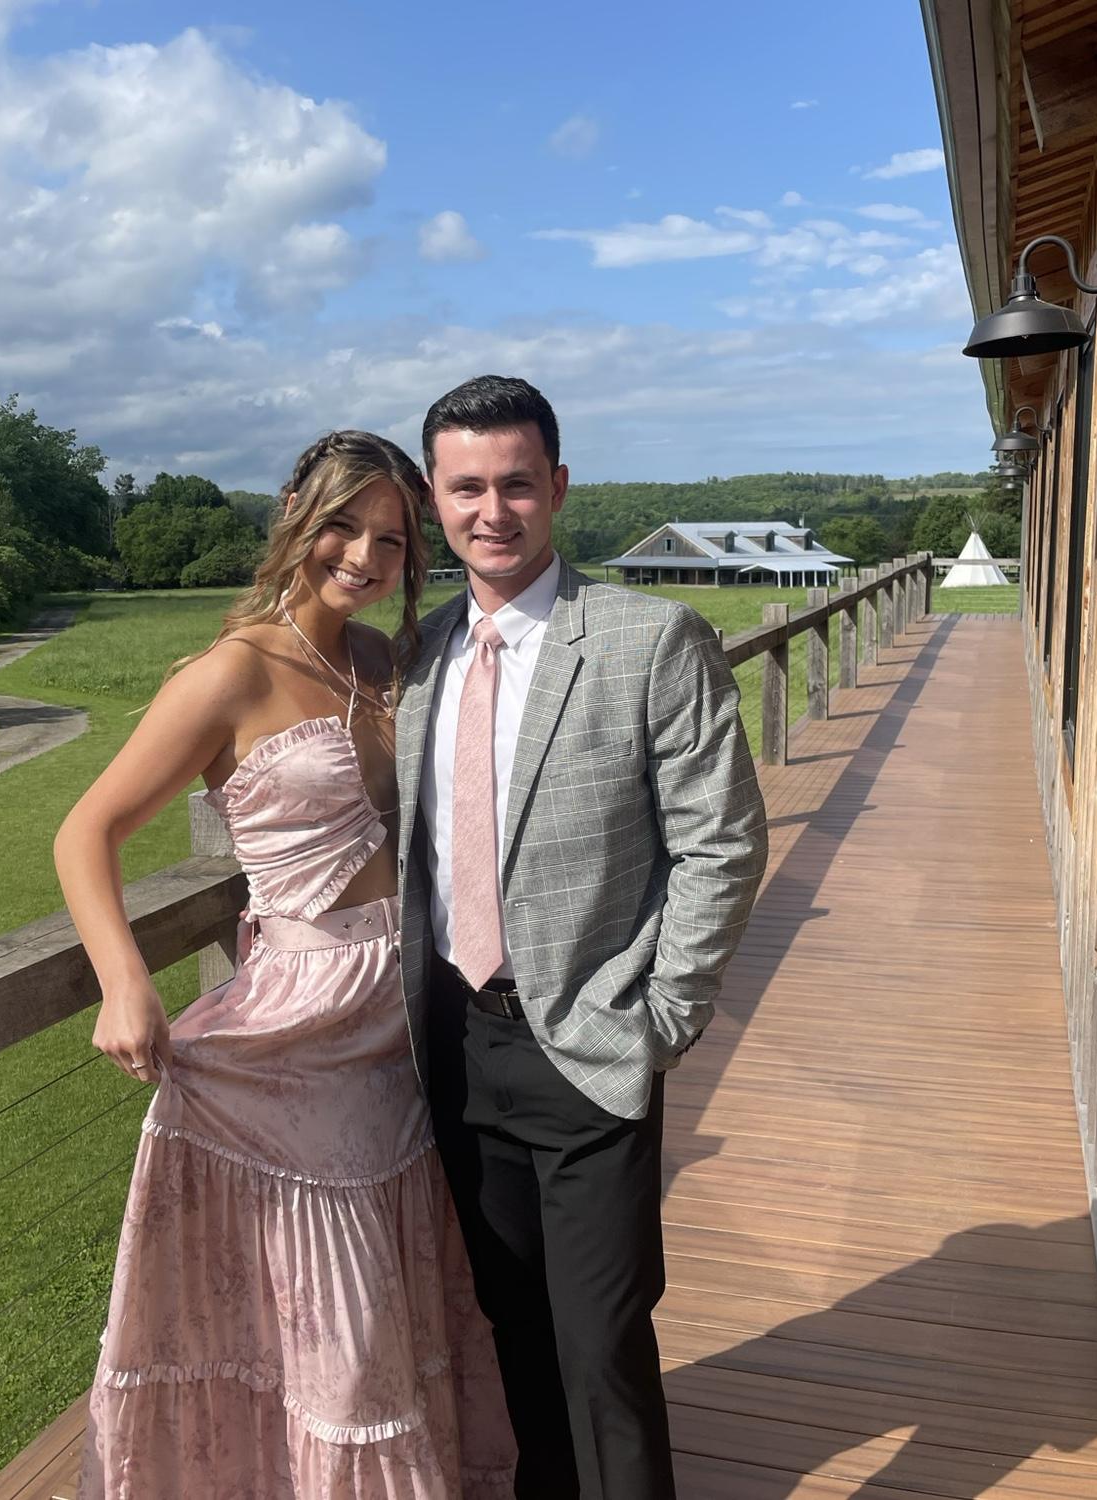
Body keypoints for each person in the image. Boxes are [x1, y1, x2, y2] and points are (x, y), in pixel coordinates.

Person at [54, 430, 515, 1499]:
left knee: (395, 1280)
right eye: (343, 527)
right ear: (297, 522)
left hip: (405, 1015)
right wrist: (125, 981)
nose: (365, 556)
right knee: (342, 1312)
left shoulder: (384, 661)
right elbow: (87, 832)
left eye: (392, 540)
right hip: (294, 1031)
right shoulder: (231, 672)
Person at [395, 375, 768, 1499]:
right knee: (512, 1323)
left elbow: (722, 843)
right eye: (466, 488)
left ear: (557, 487)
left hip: (592, 1042)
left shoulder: (650, 640)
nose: (492, 511)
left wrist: (663, 1018)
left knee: (600, 1343)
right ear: (434, 498)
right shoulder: (417, 656)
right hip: (457, 1043)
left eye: (516, 484)